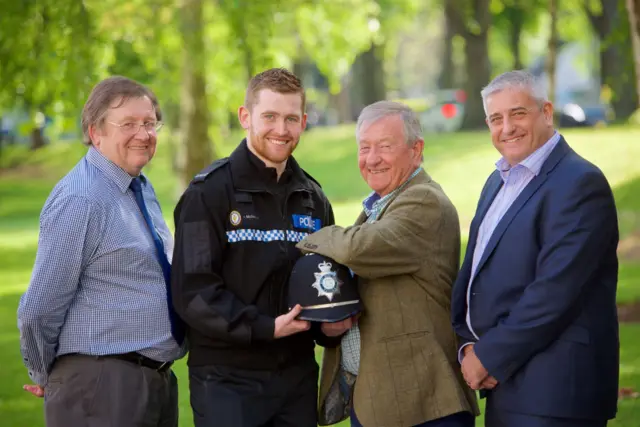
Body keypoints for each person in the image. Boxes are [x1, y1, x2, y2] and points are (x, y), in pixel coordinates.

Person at [171, 67, 346, 427]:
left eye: (291, 119)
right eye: (269, 116)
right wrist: (265, 327)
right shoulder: (208, 194)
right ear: (245, 117)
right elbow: (194, 293)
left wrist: (327, 327)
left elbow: (322, 283)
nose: (281, 130)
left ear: (304, 122)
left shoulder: (313, 199)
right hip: (226, 381)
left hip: (295, 379)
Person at [451, 70, 620, 427]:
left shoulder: (579, 182)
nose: (507, 127)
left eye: (518, 113)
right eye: (496, 118)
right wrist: (468, 346)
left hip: (555, 394)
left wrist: (488, 357)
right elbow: (476, 274)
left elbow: (555, 292)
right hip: (506, 385)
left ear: (546, 112)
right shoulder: (495, 182)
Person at [297, 100, 479, 427]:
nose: (372, 158)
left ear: (416, 149)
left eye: (385, 146)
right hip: (382, 398)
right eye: (364, 147)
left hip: (421, 402)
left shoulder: (424, 200)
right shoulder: (381, 204)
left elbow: (357, 248)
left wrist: (312, 238)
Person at [17, 76, 185, 427]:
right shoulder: (82, 199)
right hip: (103, 387)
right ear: (96, 133)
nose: (144, 133)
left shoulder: (136, 186)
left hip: (150, 383)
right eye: (128, 124)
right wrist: (47, 374)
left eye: (149, 123)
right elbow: (38, 307)